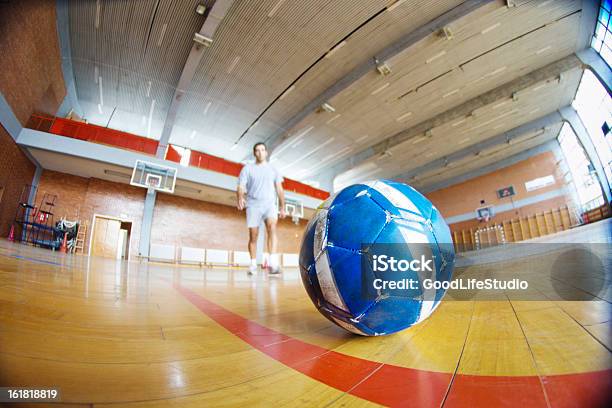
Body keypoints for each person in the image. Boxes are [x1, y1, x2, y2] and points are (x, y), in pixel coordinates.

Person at [237, 142, 285, 274]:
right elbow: (241, 186)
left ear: (266, 152)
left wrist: (282, 206)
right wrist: (240, 197)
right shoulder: (247, 169)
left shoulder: (273, 169)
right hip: (253, 205)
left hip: (270, 204)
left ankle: (273, 263)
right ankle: (252, 264)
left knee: (272, 228)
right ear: (254, 153)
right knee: (253, 236)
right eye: (257, 150)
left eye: (263, 150)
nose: (260, 152)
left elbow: (279, 189)